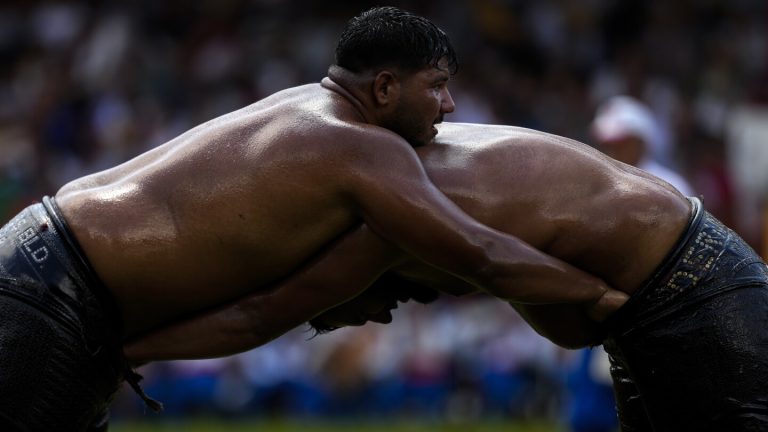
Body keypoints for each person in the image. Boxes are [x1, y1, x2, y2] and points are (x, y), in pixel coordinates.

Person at [0, 7, 618, 431]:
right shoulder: (362, 148)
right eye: (435, 86)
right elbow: (481, 253)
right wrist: (599, 292)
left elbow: (257, 315)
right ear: (384, 89)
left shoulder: (302, 104)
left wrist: (127, 351)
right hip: (56, 297)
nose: (449, 105)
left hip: (45, 270)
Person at [128, 122, 768, 430]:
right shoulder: (397, 204)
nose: (366, 320)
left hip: (692, 284)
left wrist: (129, 349)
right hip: (662, 297)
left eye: (334, 315)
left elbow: (259, 314)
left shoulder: (386, 226)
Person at [565, 95, 697, 432]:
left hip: (651, 315)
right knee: (590, 414)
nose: (610, 148)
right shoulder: (592, 185)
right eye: (606, 141)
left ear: (641, 141)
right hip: (601, 307)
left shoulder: (670, 187)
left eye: (619, 141)